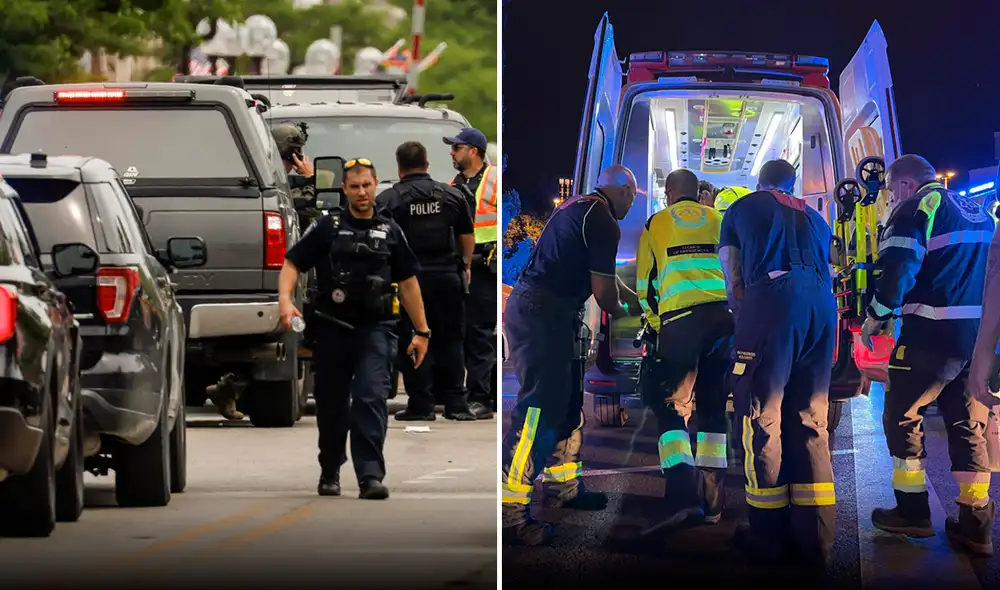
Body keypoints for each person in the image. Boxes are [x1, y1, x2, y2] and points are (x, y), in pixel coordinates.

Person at [860, 154, 996, 556]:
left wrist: (877, 316)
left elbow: (899, 266)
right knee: (968, 426)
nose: (888, 198)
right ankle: (976, 524)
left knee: (902, 415)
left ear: (903, 185)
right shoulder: (979, 213)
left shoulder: (916, 206)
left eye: (888, 190)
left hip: (929, 338)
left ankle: (913, 511)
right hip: (975, 343)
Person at [501, 165, 639, 546]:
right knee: (537, 411)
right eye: (633, 195)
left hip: (546, 311)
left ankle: (564, 487)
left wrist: (633, 296)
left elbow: (609, 283)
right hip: (544, 314)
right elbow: (604, 295)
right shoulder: (604, 220)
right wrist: (632, 313)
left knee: (566, 406)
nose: (632, 204)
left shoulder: (578, 206)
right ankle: (510, 514)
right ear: (624, 190)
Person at [277, 158, 430, 499]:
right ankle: (330, 469)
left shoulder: (391, 231)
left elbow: (407, 283)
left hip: (376, 329)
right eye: (355, 187)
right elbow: (293, 263)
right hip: (332, 329)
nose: (362, 192)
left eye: (367, 185)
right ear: (345, 189)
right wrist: (286, 302)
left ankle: (370, 476)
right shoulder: (327, 227)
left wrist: (422, 332)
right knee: (332, 405)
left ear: (377, 186)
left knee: (370, 398)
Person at [718, 159, 838, 568]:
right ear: (792, 184)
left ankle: (768, 536)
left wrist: (746, 321)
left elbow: (732, 277)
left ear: (759, 183)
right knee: (810, 419)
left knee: (761, 417)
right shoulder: (819, 220)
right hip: (822, 310)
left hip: (771, 302)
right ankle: (816, 540)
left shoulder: (743, 208)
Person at [635, 169, 733, 532]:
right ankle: (713, 502)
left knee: (672, 406)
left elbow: (645, 283)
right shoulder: (720, 219)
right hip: (723, 322)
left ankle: (682, 495)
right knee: (712, 408)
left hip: (679, 324)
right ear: (698, 193)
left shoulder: (656, 223)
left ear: (670, 192)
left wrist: (659, 326)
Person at [204, 122, 319, 421]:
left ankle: (229, 387)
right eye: (298, 152)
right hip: (287, 271)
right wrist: (309, 179)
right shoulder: (278, 183)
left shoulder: (256, 176)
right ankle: (230, 386)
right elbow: (308, 212)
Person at [376, 141, 477, 422]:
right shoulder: (451, 195)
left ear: (399, 168)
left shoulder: (389, 200)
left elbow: (382, 243)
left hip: (410, 282)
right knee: (452, 339)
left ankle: (421, 404)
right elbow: (466, 237)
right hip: (447, 277)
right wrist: (465, 266)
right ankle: (456, 404)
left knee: (414, 337)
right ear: (427, 164)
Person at [445, 127, 498, 420]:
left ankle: (481, 399)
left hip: (487, 267)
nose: (452, 153)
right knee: (469, 334)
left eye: (456, 148)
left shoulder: (494, 179)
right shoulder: (454, 184)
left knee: (479, 334)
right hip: (465, 267)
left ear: (474, 151)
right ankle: (478, 394)